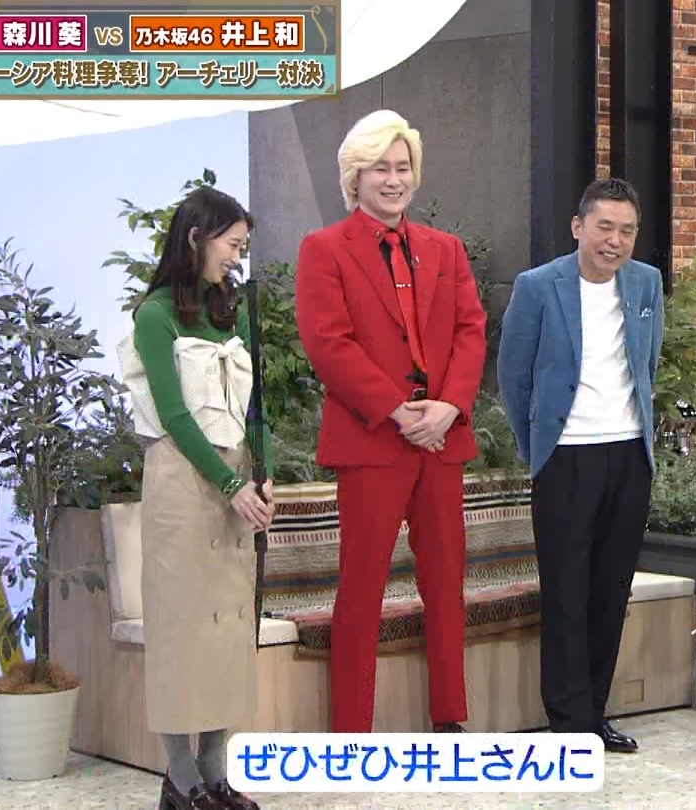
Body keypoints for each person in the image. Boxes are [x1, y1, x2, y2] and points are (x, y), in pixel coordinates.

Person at [295, 109, 487, 734]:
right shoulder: (324, 249)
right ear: (355, 177)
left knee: (446, 585)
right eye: (381, 168)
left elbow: (470, 331)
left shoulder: (444, 249)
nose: (394, 179)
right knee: (362, 588)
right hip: (373, 439)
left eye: (403, 167)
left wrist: (449, 407)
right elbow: (328, 343)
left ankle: (450, 719)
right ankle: (351, 731)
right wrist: (398, 412)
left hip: (441, 439)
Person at [497, 178, 664, 753]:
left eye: (627, 231)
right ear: (578, 227)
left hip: (629, 454)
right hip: (565, 457)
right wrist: (537, 450)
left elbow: (648, 361)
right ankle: (567, 723)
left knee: (610, 591)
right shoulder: (537, 286)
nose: (615, 241)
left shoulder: (646, 282)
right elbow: (513, 377)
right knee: (566, 593)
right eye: (604, 227)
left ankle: (595, 714)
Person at [122, 186, 273, 810]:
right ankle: (180, 779)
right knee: (182, 631)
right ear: (196, 238)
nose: (237, 256)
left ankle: (215, 771)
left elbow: (255, 401)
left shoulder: (231, 309)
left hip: (236, 475)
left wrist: (262, 474)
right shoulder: (154, 315)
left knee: (226, 629)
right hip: (183, 481)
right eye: (231, 244)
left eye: (242, 246)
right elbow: (175, 415)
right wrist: (231, 486)